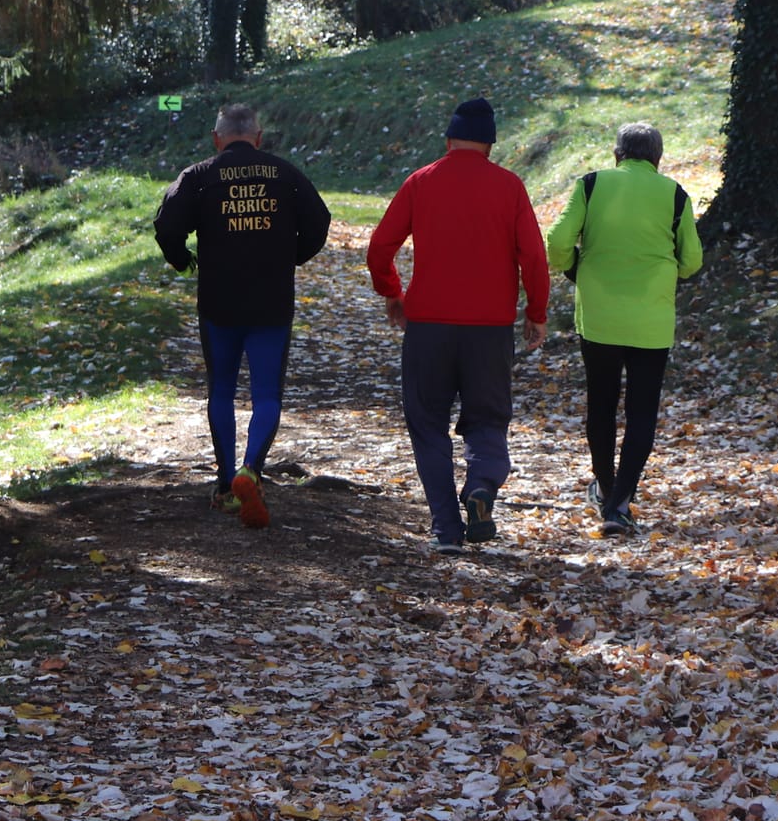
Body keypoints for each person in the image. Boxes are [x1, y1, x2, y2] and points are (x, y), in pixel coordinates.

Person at [367, 97, 550, 553]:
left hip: (428, 326)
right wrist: (536, 312)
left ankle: (446, 528)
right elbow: (533, 256)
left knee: (427, 422)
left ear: (448, 140)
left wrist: (393, 293)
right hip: (490, 329)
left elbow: (380, 247)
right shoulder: (509, 187)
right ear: (490, 144)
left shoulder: (421, 181)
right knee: (488, 417)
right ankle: (482, 485)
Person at [154, 103, 331, 529]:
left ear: (217, 139)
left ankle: (223, 485)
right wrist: (291, 257)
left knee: (221, 391)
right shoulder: (285, 174)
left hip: (219, 303)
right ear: (259, 137)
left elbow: (167, 225)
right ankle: (250, 472)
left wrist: (182, 260)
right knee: (267, 394)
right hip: (272, 302)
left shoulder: (199, 176)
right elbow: (319, 221)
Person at [545, 122, 703, 537]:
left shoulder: (591, 185)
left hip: (600, 318)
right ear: (658, 159)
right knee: (642, 411)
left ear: (617, 155)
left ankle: (604, 485)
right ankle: (620, 503)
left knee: (601, 404)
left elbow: (557, 242)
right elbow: (691, 261)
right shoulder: (675, 194)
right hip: (651, 321)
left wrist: (576, 269)